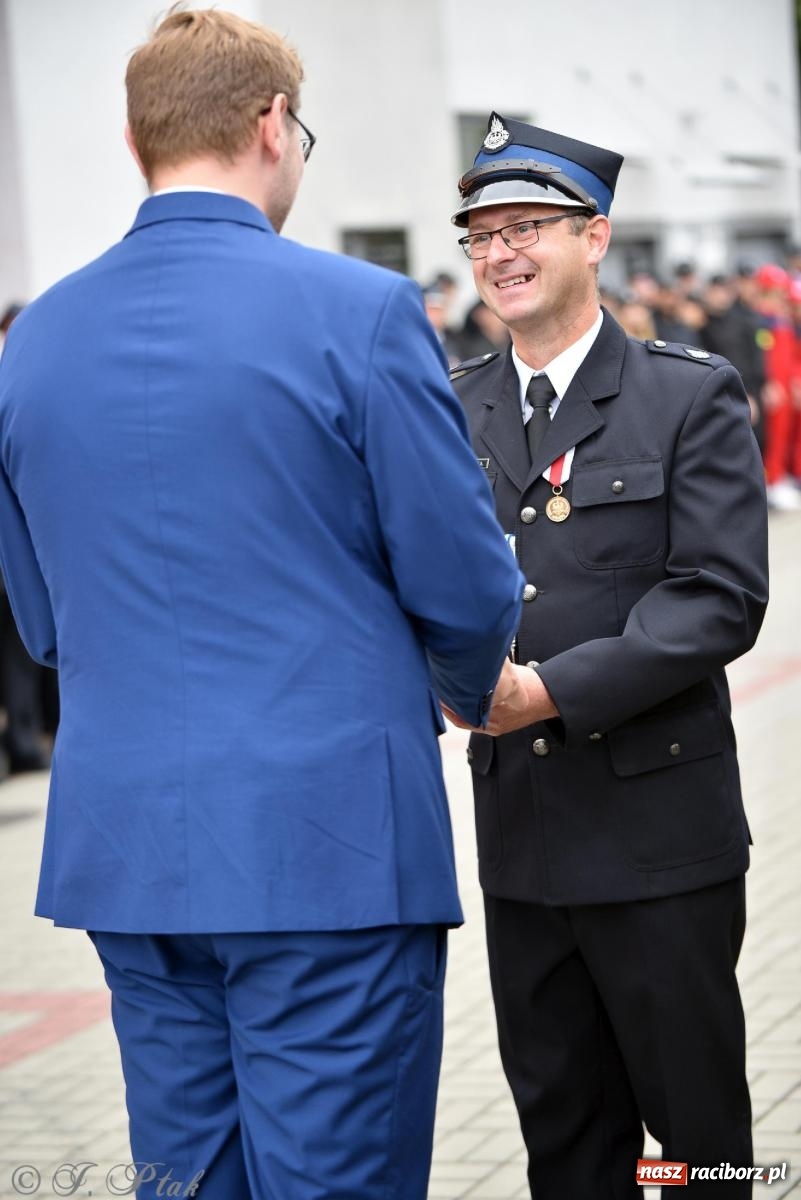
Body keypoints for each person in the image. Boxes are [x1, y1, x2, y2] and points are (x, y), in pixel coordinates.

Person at [0, 15, 524, 1199]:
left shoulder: (31, 347)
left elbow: (41, 622)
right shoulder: (362, 311)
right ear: (273, 125)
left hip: (129, 846)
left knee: (187, 1178)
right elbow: (463, 577)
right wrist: (459, 686)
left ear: (136, 138)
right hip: (326, 842)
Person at [446, 112, 769, 1198]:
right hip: (523, 849)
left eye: (528, 224)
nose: (501, 251)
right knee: (566, 1141)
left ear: (596, 237)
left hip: (657, 846)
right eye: (481, 233)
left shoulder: (688, 394)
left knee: (698, 1149)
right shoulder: (453, 409)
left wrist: (544, 691)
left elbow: (720, 599)